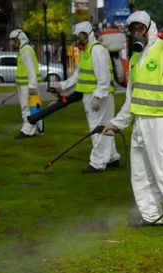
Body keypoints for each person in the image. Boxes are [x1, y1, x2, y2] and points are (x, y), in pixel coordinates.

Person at [102, 11, 163, 237]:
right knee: (141, 174)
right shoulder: (135, 57)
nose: (137, 33)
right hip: (140, 124)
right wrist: (117, 123)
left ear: (149, 28)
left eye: (140, 28)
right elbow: (131, 98)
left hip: (161, 124)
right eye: (133, 29)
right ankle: (152, 215)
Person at [51, 21, 121, 174]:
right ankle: (112, 157)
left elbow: (103, 76)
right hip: (92, 95)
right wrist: (62, 86)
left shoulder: (96, 51)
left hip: (99, 96)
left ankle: (97, 163)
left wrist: (98, 96)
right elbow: (79, 75)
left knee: (97, 129)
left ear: (86, 34)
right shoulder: (86, 51)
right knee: (104, 127)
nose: (77, 38)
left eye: (79, 35)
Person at [9, 29, 42, 139]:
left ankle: (27, 130)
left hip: (27, 86)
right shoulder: (24, 50)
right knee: (34, 108)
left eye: (13, 40)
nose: (11, 43)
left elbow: (30, 70)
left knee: (26, 108)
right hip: (26, 85)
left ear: (19, 39)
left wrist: (32, 87)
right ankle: (37, 129)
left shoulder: (25, 51)